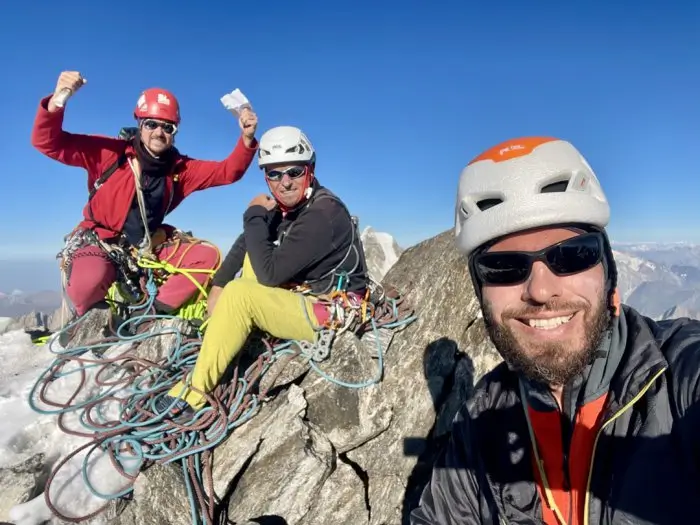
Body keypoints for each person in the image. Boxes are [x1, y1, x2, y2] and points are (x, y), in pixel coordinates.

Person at [411, 137, 700, 524]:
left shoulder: (679, 378)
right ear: (480, 293)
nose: (540, 291)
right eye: (503, 267)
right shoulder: (481, 420)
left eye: (571, 255)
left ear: (607, 271)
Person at [156, 125, 369, 416]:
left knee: (241, 293)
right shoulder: (293, 207)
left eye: (293, 171)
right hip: (308, 295)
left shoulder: (322, 214)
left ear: (310, 169)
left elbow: (270, 274)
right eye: (273, 173)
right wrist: (218, 286)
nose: (285, 182)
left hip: (333, 312)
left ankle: (193, 393)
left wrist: (253, 214)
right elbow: (248, 243)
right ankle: (221, 333)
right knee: (248, 265)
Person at [30, 71, 259, 340]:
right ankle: (91, 319)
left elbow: (227, 172)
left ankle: (149, 315)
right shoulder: (109, 154)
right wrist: (58, 101)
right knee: (86, 286)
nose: (159, 132)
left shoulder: (180, 170)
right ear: (139, 123)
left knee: (206, 257)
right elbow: (47, 142)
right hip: (101, 240)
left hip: (147, 246)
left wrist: (246, 139)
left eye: (167, 127)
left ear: (175, 131)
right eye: (151, 124)